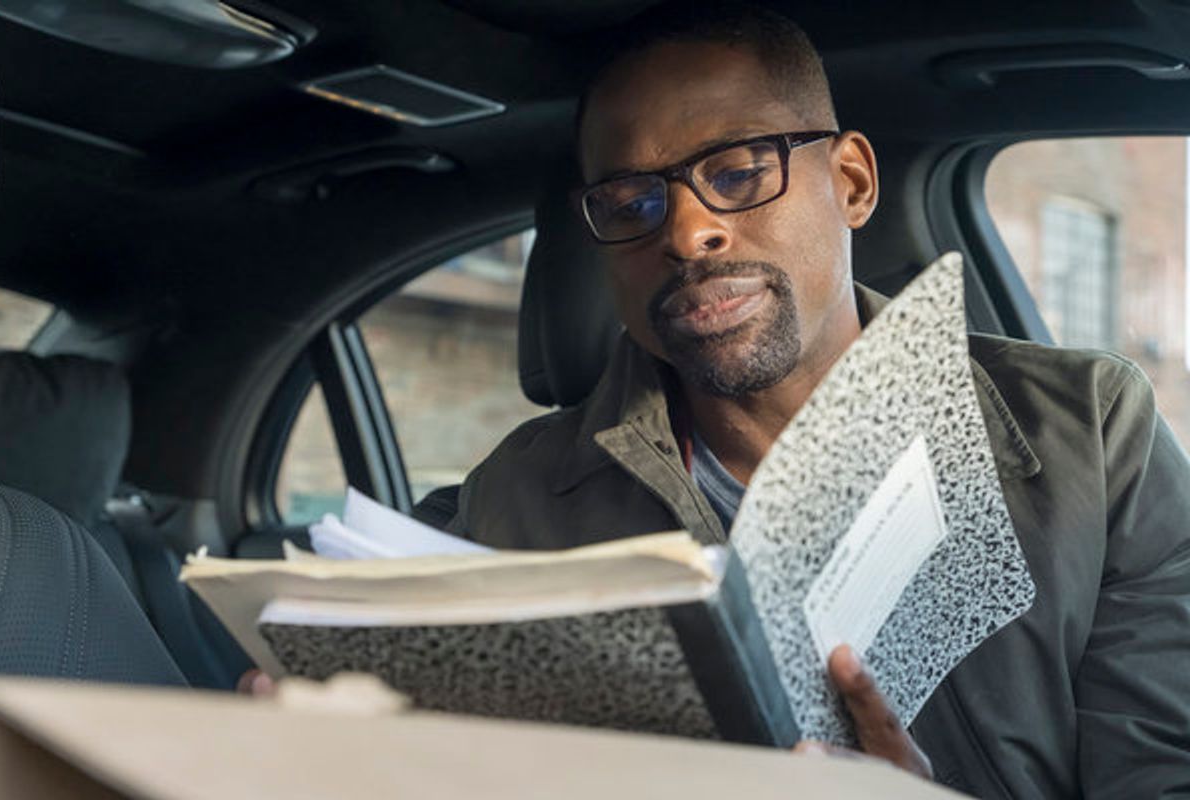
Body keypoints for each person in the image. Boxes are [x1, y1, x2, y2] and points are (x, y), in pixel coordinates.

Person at [444, 2, 1190, 797]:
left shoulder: (1094, 432)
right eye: (631, 205)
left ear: (852, 184)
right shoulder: (510, 506)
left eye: (737, 173)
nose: (687, 232)